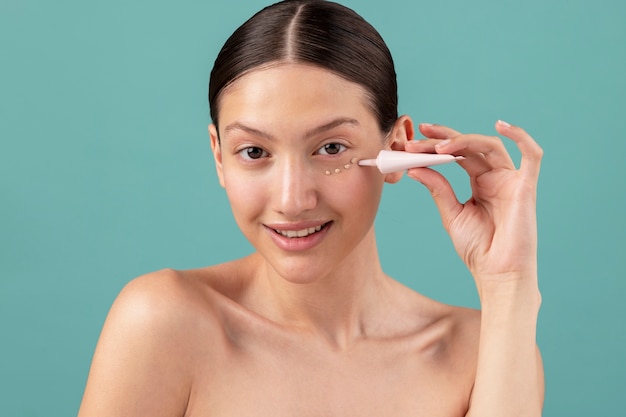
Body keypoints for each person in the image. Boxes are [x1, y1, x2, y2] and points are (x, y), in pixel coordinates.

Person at [78, 1, 544, 416]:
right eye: (255, 152)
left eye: (332, 148)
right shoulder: (163, 324)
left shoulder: (479, 352)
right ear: (219, 156)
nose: (292, 200)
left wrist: (510, 286)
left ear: (397, 146)